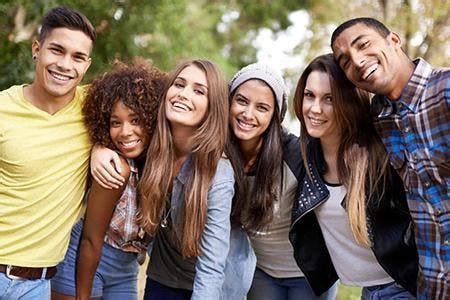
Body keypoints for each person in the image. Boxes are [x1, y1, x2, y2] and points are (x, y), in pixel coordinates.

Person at [330, 17, 449, 299]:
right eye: (345, 61)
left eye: (364, 45)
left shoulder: (444, 91)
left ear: (394, 41)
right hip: (432, 286)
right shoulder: (380, 119)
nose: (357, 61)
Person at [290, 54, 418, 299]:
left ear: (349, 102)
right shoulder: (307, 158)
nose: (315, 108)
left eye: (329, 99)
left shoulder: (381, 155)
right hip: (368, 291)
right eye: (309, 95)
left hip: (404, 287)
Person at [0, 7, 95, 299]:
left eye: (78, 57)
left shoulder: (95, 107)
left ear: (87, 65)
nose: (65, 64)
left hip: (37, 286)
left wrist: (103, 146)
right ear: (37, 49)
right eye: (57, 50)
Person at [51, 61, 165, 300]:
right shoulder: (115, 168)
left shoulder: (156, 166)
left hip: (126, 267)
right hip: (86, 262)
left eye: (135, 120)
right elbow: (90, 241)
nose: (125, 132)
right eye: (116, 122)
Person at [226, 62, 337, 300]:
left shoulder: (297, 154)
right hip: (262, 271)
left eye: (262, 108)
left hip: (308, 274)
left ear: (274, 117)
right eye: (242, 101)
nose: (248, 114)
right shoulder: (218, 155)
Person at [136, 59, 235, 299]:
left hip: (203, 283)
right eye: (179, 84)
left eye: (199, 91)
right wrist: (101, 150)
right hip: (162, 275)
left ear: (213, 107)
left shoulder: (218, 174)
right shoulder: (150, 146)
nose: (183, 94)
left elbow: (211, 268)